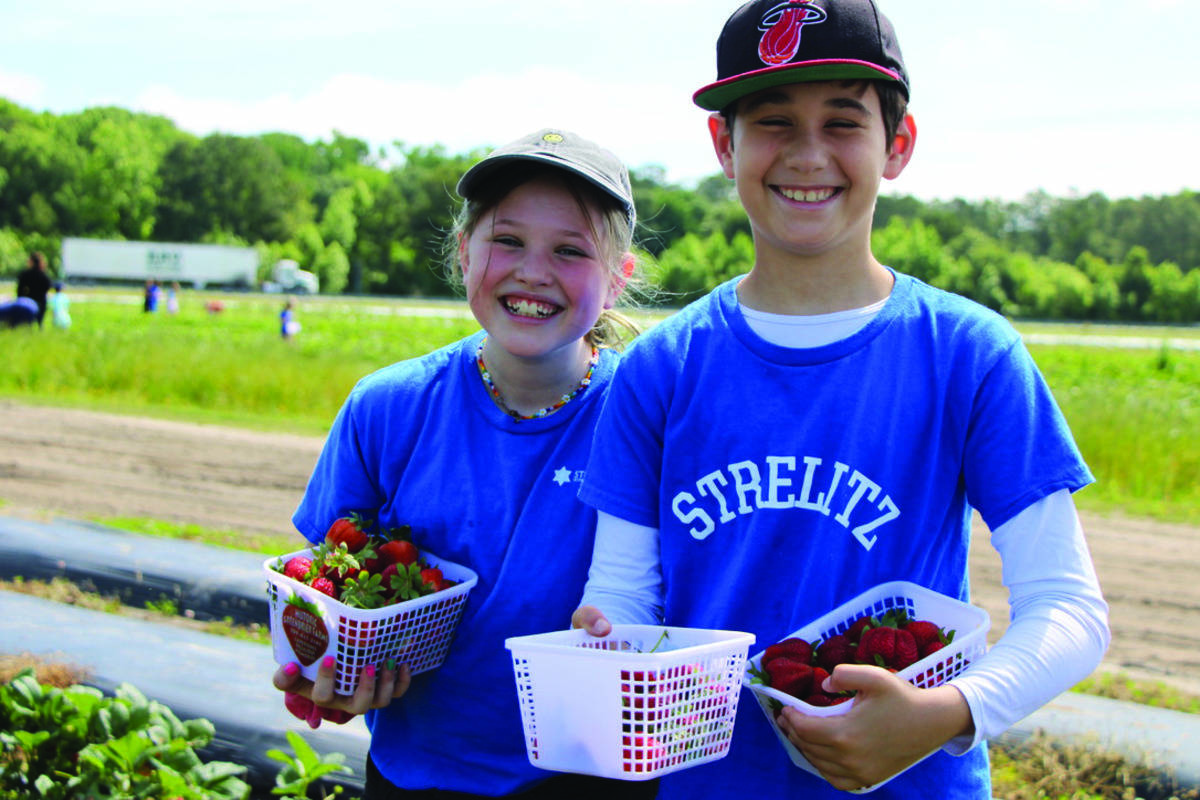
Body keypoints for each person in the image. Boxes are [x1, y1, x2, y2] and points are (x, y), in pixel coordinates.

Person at [571, 1, 1110, 798]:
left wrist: (951, 712)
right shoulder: (662, 367)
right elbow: (623, 595)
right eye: (774, 121)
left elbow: (1068, 609)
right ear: (726, 145)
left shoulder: (967, 351)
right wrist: (605, 642)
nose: (809, 153)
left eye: (844, 121)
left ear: (898, 145)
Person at [273, 128, 658, 799]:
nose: (532, 271)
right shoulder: (389, 408)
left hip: (591, 777)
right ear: (463, 251)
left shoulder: (645, 419)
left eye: (570, 251)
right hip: (416, 773)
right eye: (507, 241)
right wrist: (327, 667)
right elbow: (329, 587)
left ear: (618, 279)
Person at [16, 251, 52, 328]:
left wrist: (20, 298)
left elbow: (20, 289)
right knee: (39, 321)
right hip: (41, 300)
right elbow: (48, 286)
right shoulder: (43, 275)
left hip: (28, 300)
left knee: (27, 323)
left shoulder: (25, 274)